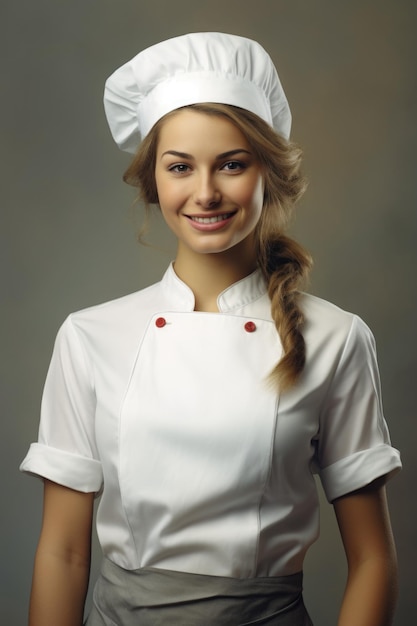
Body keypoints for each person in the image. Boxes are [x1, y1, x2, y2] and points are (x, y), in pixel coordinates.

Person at [20, 32, 402, 626]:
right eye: (180, 167)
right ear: (154, 182)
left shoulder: (338, 339)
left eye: (231, 164)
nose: (205, 192)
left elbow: (374, 557)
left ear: (265, 175)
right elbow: (63, 553)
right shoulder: (88, 337)